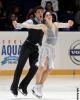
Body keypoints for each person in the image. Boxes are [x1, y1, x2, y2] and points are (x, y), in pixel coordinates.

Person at [13, 11, 74, 98]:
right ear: (45, 18)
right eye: (47, 15)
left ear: (52, 17)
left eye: (50, 15)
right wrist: (18, 24)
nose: (48, 16)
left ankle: (39, 87)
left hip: (52, 50)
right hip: (45, 48)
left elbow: (67, 25)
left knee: (49, 68)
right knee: (41, 67)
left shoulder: (56, 24)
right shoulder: (43, 26)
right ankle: (36, 87)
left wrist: (69, 23)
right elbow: (30, 26)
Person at [10, 6, 44, 96]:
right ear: (35, 14)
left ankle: (23, 85)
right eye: (39, 12)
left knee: (35, 67)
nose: (41, 13)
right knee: (20, 67)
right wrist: (16, 24)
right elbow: (22, 25)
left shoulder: (44, 22)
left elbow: (54, 24)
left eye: (42, 12)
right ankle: (13, 87)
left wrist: (67, 24)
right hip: (27, 46)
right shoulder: (31, 21)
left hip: (36, 49)